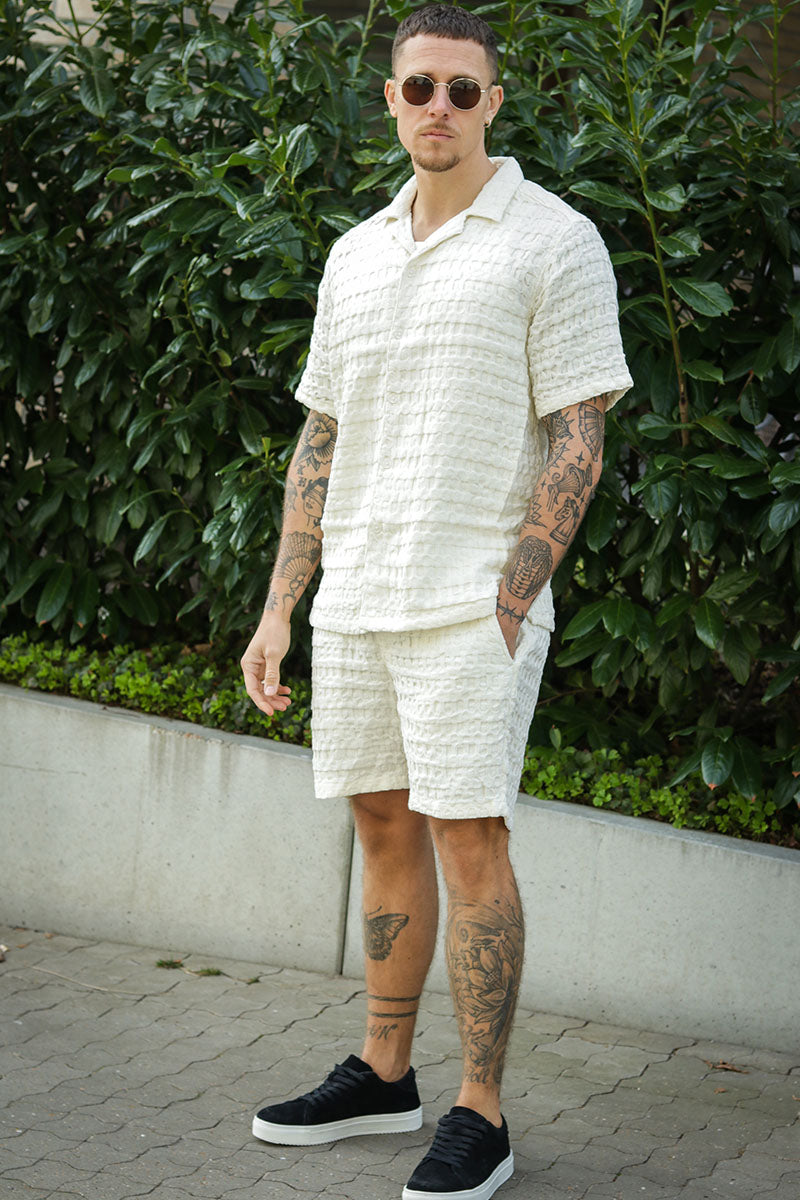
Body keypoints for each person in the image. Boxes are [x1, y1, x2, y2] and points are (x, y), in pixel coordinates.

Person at [240, 5, 632, 1198]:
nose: (440, 108)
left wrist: (514, 591)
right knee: (379, 826)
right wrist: (280, 606)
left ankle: (481, 1111)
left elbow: (578, 433)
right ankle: (382, 1072)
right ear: (391, 98)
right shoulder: (354, 254)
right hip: (357, 594)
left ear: (492, 103)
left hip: (471, 604)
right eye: (420, 87)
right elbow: (320, 438)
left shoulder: (552, 240)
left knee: (469, 837)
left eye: (463, 90)